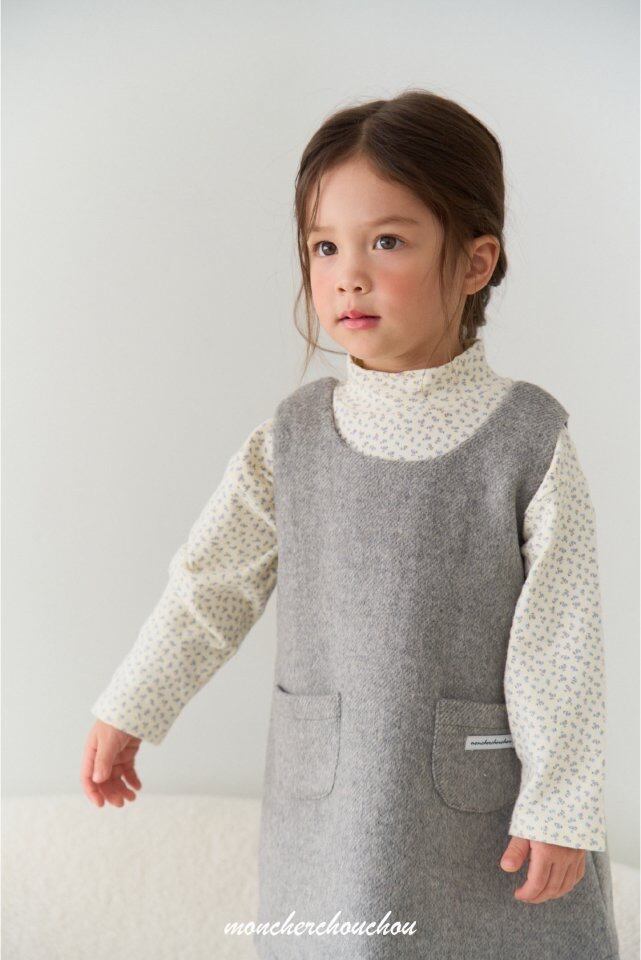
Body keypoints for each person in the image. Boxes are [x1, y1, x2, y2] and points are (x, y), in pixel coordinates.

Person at [80, 89, 620, 959]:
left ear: (475, 262)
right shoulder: (291, 439)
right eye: (324, 246)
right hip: (328, 809)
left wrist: (559, 803)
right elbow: (209, 587)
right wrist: (132, 704)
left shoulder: (526, 438)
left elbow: (560, 641)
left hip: (486, 816)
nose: (347, 274)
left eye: (387, 242)